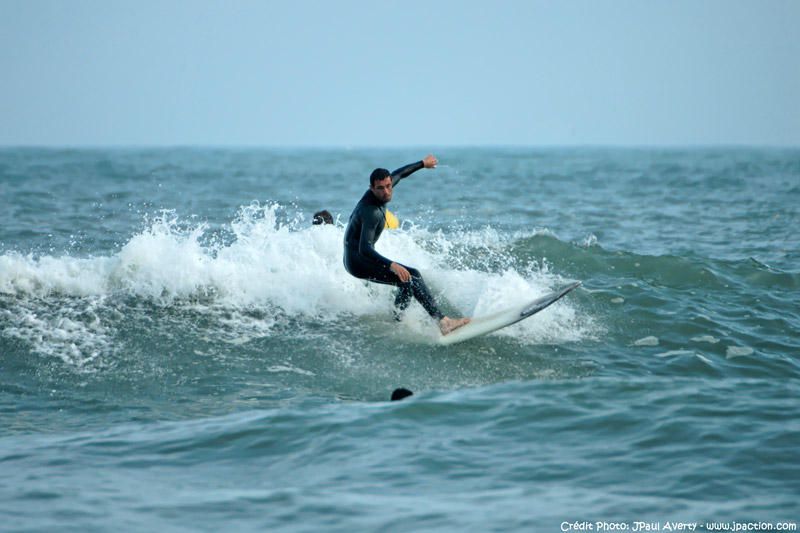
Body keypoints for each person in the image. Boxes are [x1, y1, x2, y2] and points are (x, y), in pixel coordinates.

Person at [343, 154, 470, 335]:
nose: (386, 191)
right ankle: (443, 322)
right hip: (357, 261)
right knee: (411, 276)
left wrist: (422, 164)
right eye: (380, 188)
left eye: (388, 186)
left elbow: (400, 174)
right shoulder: (371, 212)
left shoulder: (383, 188)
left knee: (407, 278)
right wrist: (391, 264)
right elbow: (365, 248)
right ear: (371, 188)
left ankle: (397, 319)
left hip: (356, 255)